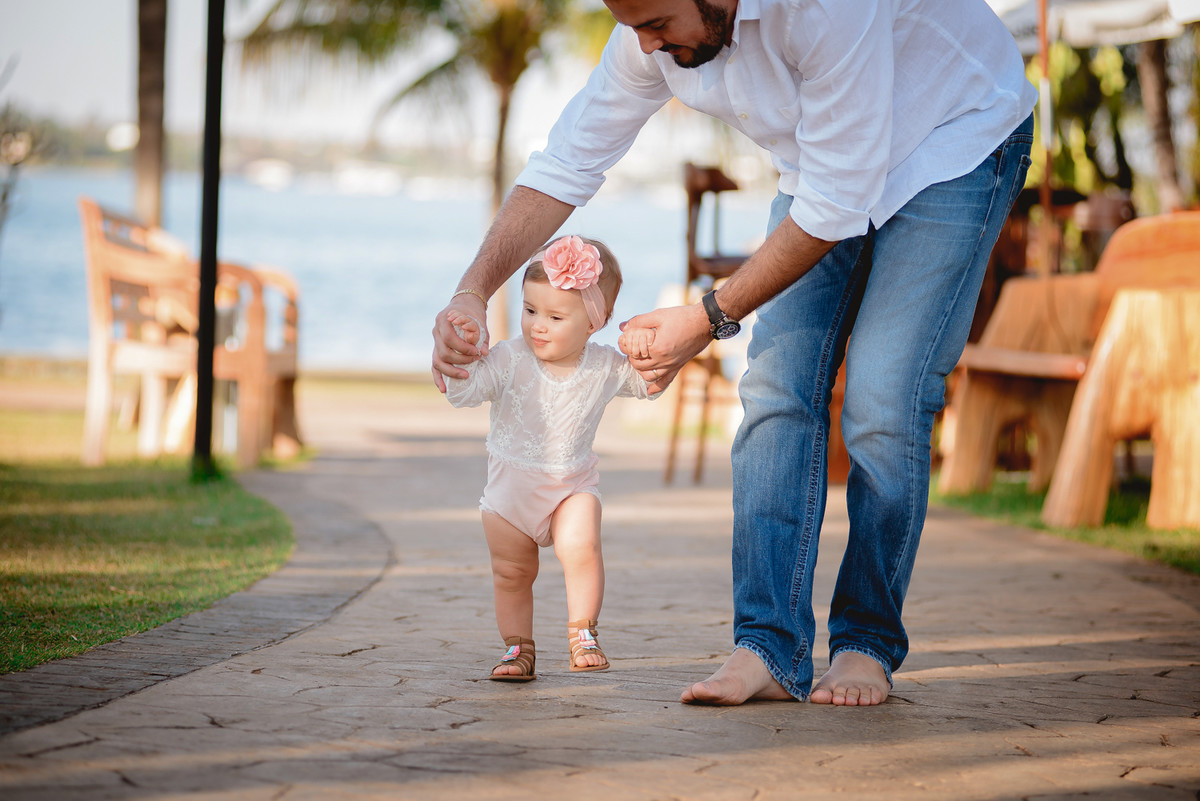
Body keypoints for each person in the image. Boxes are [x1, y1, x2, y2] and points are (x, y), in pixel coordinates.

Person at [432, 0, 1037, 705]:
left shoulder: (821, 9)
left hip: (955, 138)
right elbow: (566, 161)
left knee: (882, 398)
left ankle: (865, 644)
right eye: (633, 25)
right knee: (776, 386)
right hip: (826, 168)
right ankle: (769, 648)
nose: (646, 43)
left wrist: (706, 315)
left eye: (657, 22)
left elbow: (837, 201)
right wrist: (472, 289)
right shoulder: (648, 37)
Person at [444, 234, 660, 681]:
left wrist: (646, 343)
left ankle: (584, 634)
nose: (538, 325)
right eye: (530, 310)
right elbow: (464, 393)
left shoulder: (603, 365)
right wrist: (461, 356)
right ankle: (517, 649)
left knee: (581, 546)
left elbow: (649, 383)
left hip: (571, 486)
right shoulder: (507, 358)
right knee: (511, 573)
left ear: (594, 322)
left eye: (555, 316)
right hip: (508, 498)